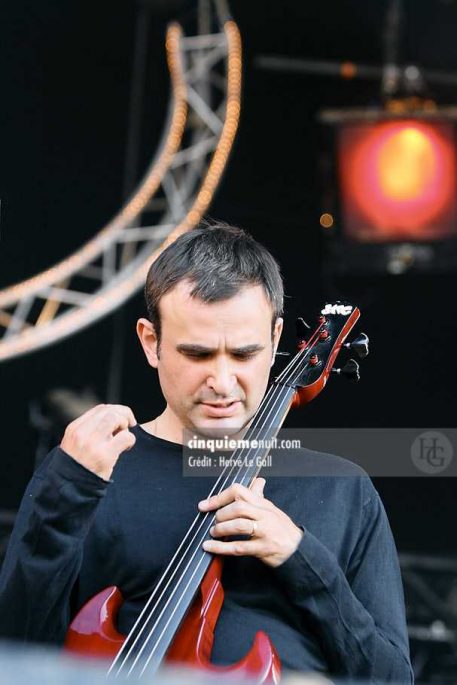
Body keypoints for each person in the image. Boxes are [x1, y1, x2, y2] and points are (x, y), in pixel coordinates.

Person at [0, 221, 413, 682]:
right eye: (197, 354)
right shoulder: (91, 471)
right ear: (150, 342)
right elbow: (16, 653)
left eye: (243, 354)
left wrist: (300, 556)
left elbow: (392, 677)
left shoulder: (342, 488)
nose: (221, 382)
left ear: (276, 340)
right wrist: (65, 493)